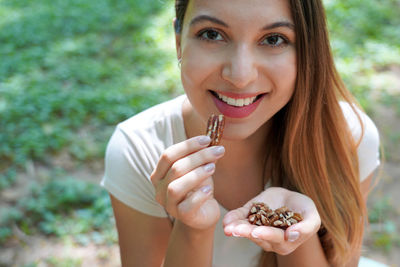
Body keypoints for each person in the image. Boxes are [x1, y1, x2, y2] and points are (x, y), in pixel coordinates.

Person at [101, 0, 381, 266]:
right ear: (178, 42)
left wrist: (290, 231)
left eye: (273, 39)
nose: (240, 75)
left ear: (308, 50)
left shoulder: (347, 139)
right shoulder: (139, 149)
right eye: (212, 34)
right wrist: (192, 228)